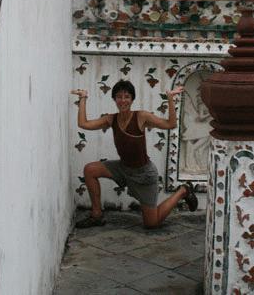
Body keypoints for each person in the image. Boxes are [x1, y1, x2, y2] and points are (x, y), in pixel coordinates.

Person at [71, 80, 198, 228]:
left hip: (143, 174)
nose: (123, 100)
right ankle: (97, 215)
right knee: (90, 170)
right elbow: (83, 124)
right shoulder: (110, 119)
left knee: (151, 223)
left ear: (132, 99)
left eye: (127, 96)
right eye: (119, 97)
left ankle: (183, 190)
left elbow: (170, 124)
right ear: (114, 99)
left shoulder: (141, 116)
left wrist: (170, 99)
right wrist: (83, 98)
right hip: (123, 168)